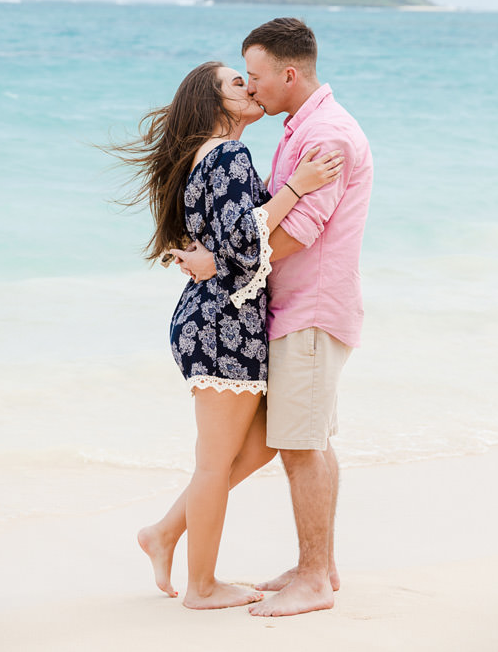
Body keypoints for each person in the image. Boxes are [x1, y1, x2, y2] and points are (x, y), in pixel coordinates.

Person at [112, 61, 343, 609]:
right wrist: (297, 186)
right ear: (214, 102)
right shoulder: (228, 153)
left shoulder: (205, 158)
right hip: (224, 323)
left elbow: (221, 242)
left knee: (266, 440)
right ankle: (201, 586)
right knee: (214, 463)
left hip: (214, 318)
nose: (249, 85)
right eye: (236, 82)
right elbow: (243, 244)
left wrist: (214, 256)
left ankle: (164, 532)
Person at [177, 17, 373, 617]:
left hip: (308, 308)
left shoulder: (326, 137)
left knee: (301, 442)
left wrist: (217, 262)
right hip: (285, 309)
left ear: (289, 74)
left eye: (256, 77)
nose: (253, 88)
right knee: (298, 439)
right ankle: (319, 565)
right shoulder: (295, 130)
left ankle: (313, 577)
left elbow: (292, 233)